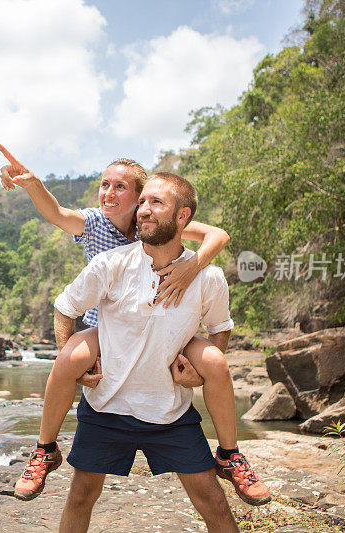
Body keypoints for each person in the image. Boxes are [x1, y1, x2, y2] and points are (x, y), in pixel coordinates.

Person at [0, 145, 269, 507]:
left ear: (142, 198)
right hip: (107, 327)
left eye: (120, 187)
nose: (109, 194)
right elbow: (58, 213)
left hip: (169, 327)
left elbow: (217, 235)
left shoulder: (158, 224)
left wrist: (193, 266)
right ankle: (45, 449)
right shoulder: (95, 222)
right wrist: (32, 184)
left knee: (214, 362)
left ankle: (230, 454)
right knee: (67, 360)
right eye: (104, 185)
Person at [54, 172, 240, 531]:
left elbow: (220, 329)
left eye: (156, 203)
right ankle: (44, 449)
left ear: (182, 217)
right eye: (142, 203)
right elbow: (66, 305)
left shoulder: (207, 276)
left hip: (170, 412)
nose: (144, 210)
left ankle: (232, 456)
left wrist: (200, 375)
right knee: (80, 495)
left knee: (213, 501)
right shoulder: (111, 263)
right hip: (106, 406)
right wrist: (73, 364)